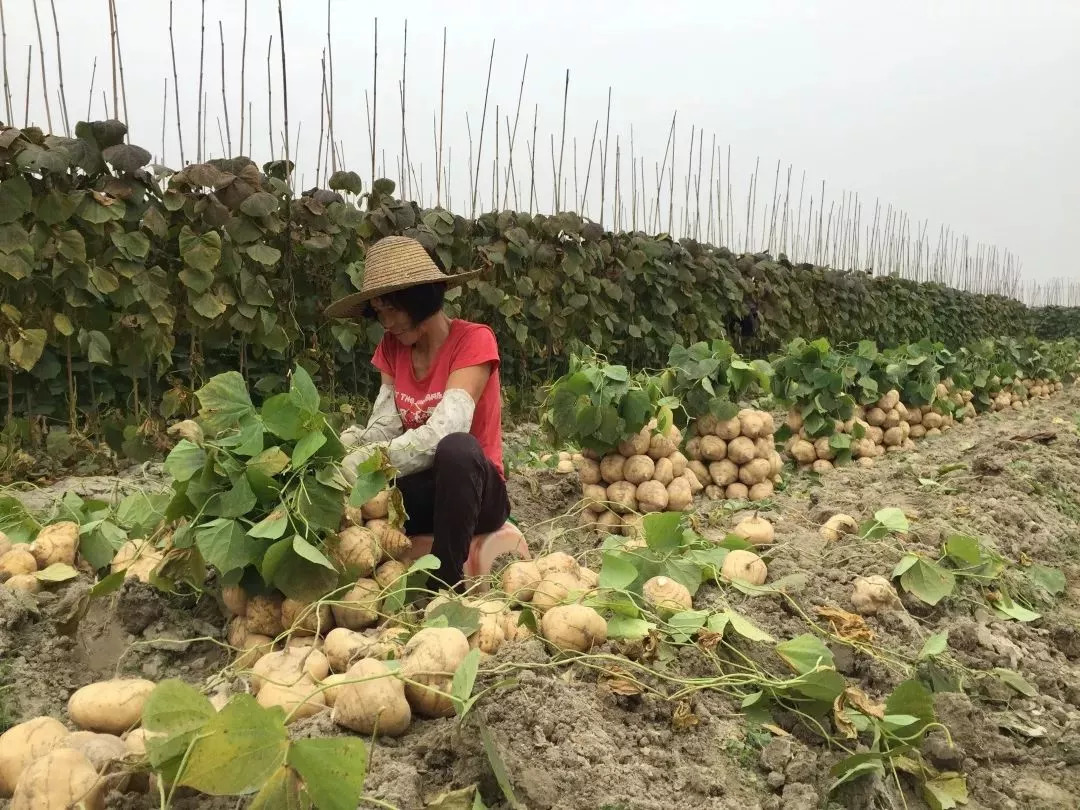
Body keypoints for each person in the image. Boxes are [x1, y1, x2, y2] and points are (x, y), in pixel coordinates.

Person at [324, 235, 510, 591]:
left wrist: (366, 459)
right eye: (378, 312)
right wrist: (340, 447)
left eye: (392, 309)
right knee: (360, 483)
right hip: (423, 490)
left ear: (422, 299)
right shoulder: (391, 347)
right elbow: (384, 426)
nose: (386, 322)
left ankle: (446, 585)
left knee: (457, 448)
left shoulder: (474, 340)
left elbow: (445, 431)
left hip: (474, 492)